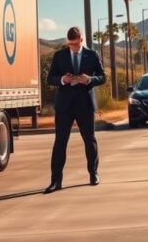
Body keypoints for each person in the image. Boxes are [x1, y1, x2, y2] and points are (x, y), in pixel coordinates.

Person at [45, 26, 106, 193]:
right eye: (70, 44)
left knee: (89, 140)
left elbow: (103, 77)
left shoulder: (92, 55)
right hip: (64, 106)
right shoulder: (59, 56)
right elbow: (50, 78)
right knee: (60, 143)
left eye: (75, 43)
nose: (72, 47)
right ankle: (56, 181)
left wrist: (89, 79)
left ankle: (93, 174)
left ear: (81, 40)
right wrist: (63, 80)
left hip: (85, 104)